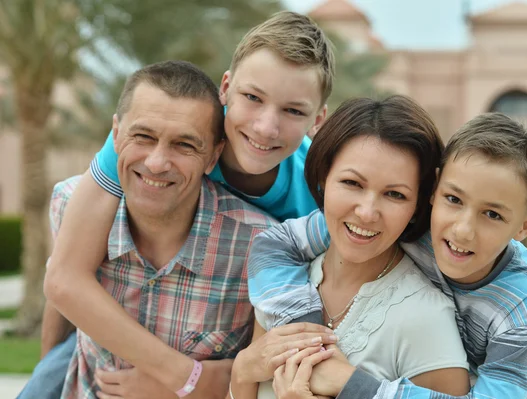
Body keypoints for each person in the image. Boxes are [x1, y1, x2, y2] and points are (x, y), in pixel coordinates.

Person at [21, 11, 334, 399]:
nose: (265, 127)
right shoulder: (167, 130)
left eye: (293, 111)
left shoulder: (318, 197)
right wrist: (183, 376)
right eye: (252, 98)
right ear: (226, 88)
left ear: (318, 119)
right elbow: (66, 275)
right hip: (111, 331)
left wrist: (196, 384)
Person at [246, 112, 527, 399]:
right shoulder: (404, 223)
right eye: (453, 199)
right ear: (434, 189)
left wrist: (352, 384)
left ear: (526, 225)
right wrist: (308, 334)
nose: (463, 230)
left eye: (492, 214)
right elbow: (273, 245)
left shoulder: (523, 304)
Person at [230, 96, 471, 399]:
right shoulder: (283, 282)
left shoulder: (426, 318)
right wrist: (241, 372)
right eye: (352, 183)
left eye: (395, 194)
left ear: (418, 205)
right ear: (323, 177)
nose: (367, 212)